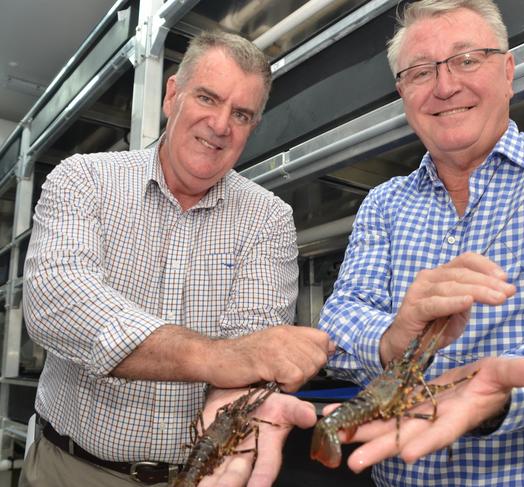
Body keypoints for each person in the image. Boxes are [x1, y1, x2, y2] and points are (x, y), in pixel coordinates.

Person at [317, 1, 524, 486]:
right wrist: (393, 336)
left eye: (467, 59)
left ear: (507, 71)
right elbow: (340, 322)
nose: (446, 86)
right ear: (403, 92)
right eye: (421, 71)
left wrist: (501, 394)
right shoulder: (382, 205)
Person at [20, 30, 333, 487]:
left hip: (197, 475)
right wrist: (215, 356)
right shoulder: (84, 178)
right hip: (68, 468)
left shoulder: (269, 219)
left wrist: (236, 383)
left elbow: (253, 347)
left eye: (242, 114)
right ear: (172, 95)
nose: (221, 125)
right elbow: (58, 304)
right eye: (208, 97)